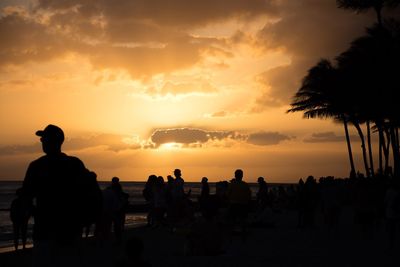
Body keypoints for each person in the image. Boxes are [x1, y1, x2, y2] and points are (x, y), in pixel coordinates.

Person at [22, 124, 97, 267]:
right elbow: (89, 191)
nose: (41, 141)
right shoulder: (75, 164)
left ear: (51, 141)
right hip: (70, 231)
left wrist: (37, 213)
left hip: (44, 232)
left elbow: (26, 197)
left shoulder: (37, 166)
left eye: (43, 138)